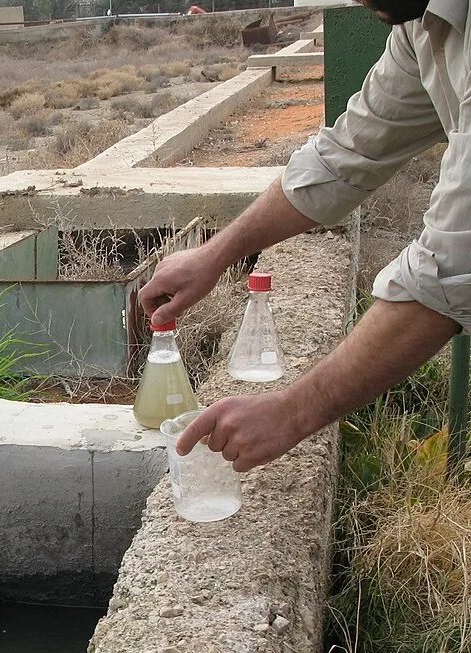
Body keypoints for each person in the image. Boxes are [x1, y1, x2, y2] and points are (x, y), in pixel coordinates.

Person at [139, 0, 468, 471]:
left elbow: (453, 267)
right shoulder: (419, 20)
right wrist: (216, 255)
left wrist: (292, 413)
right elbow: (344, 156)